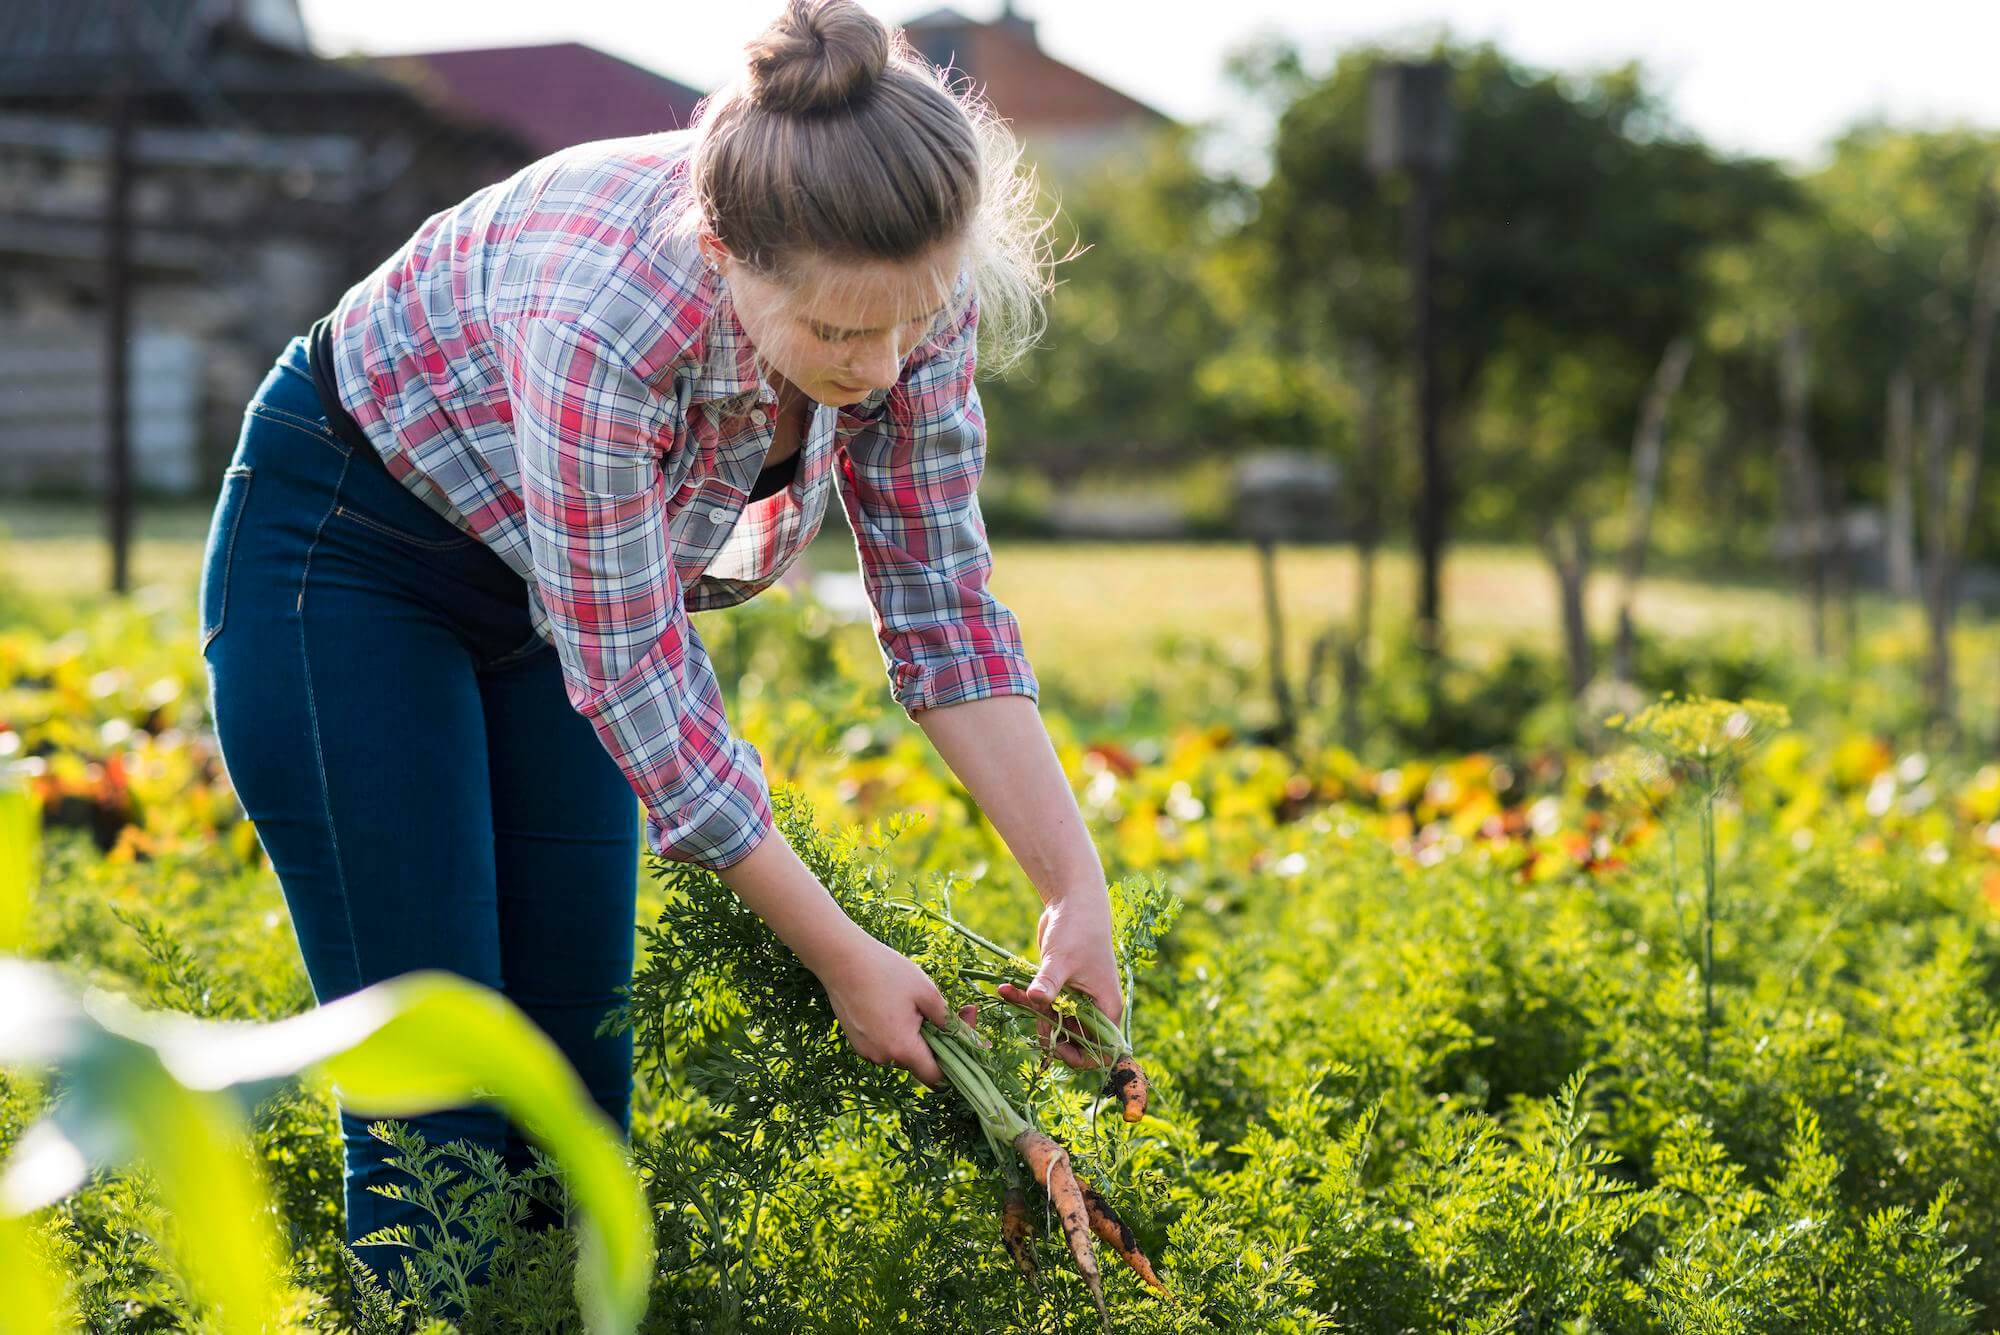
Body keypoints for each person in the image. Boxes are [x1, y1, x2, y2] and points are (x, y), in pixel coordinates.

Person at [195, 0, 1123, 1294]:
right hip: (352, 558)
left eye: (907, 327)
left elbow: (943, 607)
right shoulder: (609, 322)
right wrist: (847, 962)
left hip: (541, 597)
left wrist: (1075, 889)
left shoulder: (908, 291)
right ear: (730, 252)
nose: (881, 365)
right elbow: (639, 683)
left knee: (577, 1097)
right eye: (841, 337)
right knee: (443, 1098)